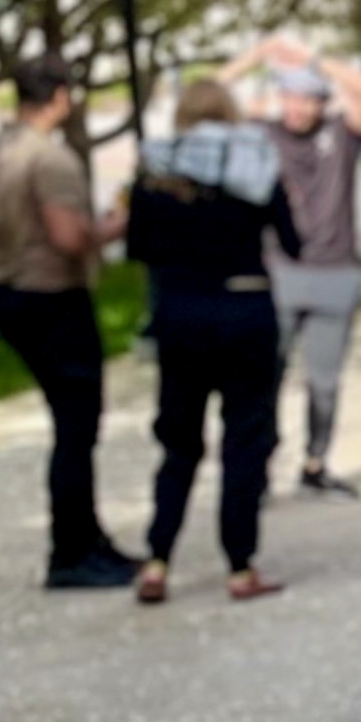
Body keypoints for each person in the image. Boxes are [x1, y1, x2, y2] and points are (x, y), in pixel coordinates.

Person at [125, 79, 301, 604]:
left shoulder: (154, 169)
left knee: (178, 442)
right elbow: (293, 241)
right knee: (244, 440)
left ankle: (157, 560)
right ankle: (240, 567)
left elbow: (138, 246)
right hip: (246, 308)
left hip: (180, 315)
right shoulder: (255, 163)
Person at [0, 55, 135, 590]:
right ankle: (72, 550)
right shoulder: (51, 160)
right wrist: (112, 229)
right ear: (61, 96)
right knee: (77, 427)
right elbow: (68, 236)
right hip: (52, 295)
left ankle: (87, 536)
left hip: (8, 290)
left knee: (70, 422)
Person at [231, 43, 361, 500]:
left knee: (325, 380)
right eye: (289, 97)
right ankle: (258, 469)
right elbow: (206, 98)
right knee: (266, 377)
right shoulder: (262, 133)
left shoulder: (341, 134)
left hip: (335, 271)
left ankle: (316, 462)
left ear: (321, 101)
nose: (297, 107)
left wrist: (317, 59)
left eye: (307, 98)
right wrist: (254, 57)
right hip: (280, 271)